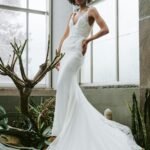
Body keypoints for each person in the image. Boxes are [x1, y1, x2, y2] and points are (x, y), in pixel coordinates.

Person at [46, 0, 142, 149]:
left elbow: (105, 29)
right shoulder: (73, 14)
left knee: (62, 83)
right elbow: (66, 34)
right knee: (68, 87)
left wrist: (88, 40)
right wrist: (58, 54)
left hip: (77, 51)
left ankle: (57, 130)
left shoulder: (92, 11)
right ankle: (63, 128)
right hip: (66, 50)